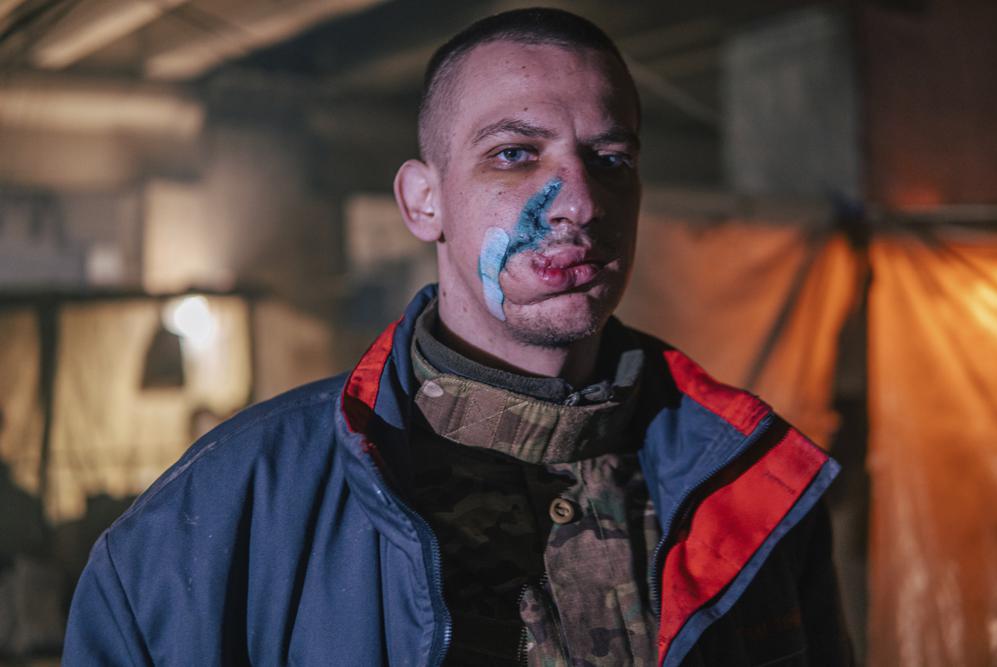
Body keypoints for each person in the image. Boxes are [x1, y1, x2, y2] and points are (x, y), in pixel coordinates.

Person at [64, 8, 852, 666]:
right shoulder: (221, 514)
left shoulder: (749, 481)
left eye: (611, 158)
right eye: (515, 154)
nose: (577, 199)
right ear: (423, 202)